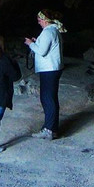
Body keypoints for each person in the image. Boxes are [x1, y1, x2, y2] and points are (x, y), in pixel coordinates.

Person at [24, 9, 65, 140]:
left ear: (45, 20)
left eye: (40, 20)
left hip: (49, 69)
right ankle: (52, 128)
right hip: (53, 68)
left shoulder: (48, 32)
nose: (39, 22)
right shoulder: (53, 30)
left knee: (48, 98)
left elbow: (42, 52)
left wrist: (31, 44)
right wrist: (37, 42)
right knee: (50, 98)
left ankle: (48, 130)